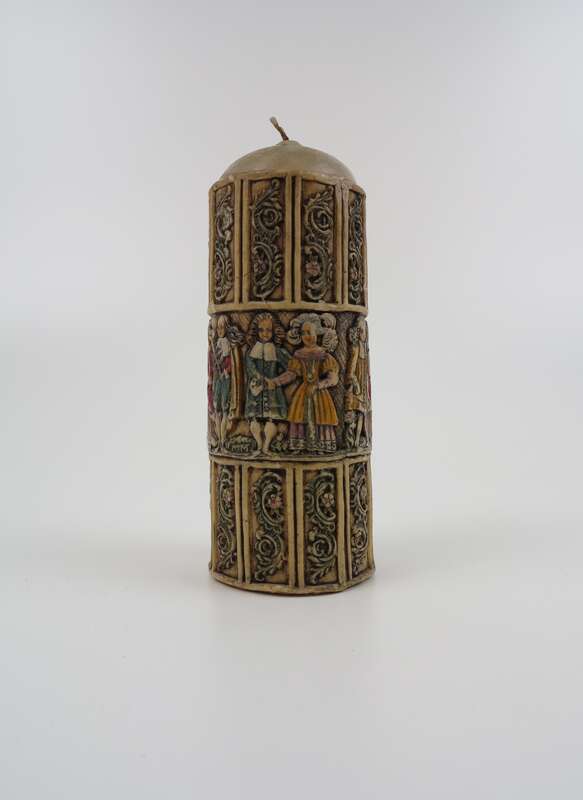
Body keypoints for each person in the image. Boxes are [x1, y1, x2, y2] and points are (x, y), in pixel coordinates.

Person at [270, 313, 339, 453]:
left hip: (319, 392)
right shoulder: (299, 354)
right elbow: (291, 374)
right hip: (303, 392)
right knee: (299, 416)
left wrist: (319, 385)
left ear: (317, 333)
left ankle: (320, 447)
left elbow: (333, 378)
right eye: (303, 333)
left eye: (309, 332)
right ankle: (301, 446)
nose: (306, 336)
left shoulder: (324, 355)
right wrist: (276, 382)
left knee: (322, 416)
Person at [244, 312, 290, 454]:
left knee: (271, 418)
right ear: (256, 331)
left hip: (272, 391)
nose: (265, 334)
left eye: (268, 330)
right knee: (254, 417)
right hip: (256, 390)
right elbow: (250, 367)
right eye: (261, 330)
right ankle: (259, 444)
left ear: (274, 331)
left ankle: (267, 446)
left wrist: (277, 381)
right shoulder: (252, 351)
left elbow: (292, 367)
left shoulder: (277, 351)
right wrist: (258, 377)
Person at [212, 315, 244, 447]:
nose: (220, 330)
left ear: (227, 328)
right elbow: (212, 363)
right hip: (217, 380)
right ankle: (219, 440)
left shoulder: (229, 345)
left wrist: (227, 370)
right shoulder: (216, 344)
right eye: (218, 328)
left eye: (222, 327)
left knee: (224, 409)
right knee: (217, 408)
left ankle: (223, 440)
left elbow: (232, 363)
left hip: (225, 379)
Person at [345, 315, 371, 448]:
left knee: (363, 413)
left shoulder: (364, 349)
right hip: (357, 388)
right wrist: (355, 384)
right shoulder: (355, 349)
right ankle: (355, 441)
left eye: (364, 331)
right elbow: (350, 371)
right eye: (360, 331)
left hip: (363, 386)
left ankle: (359, 440)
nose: (362, 334)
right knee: (358, 413)